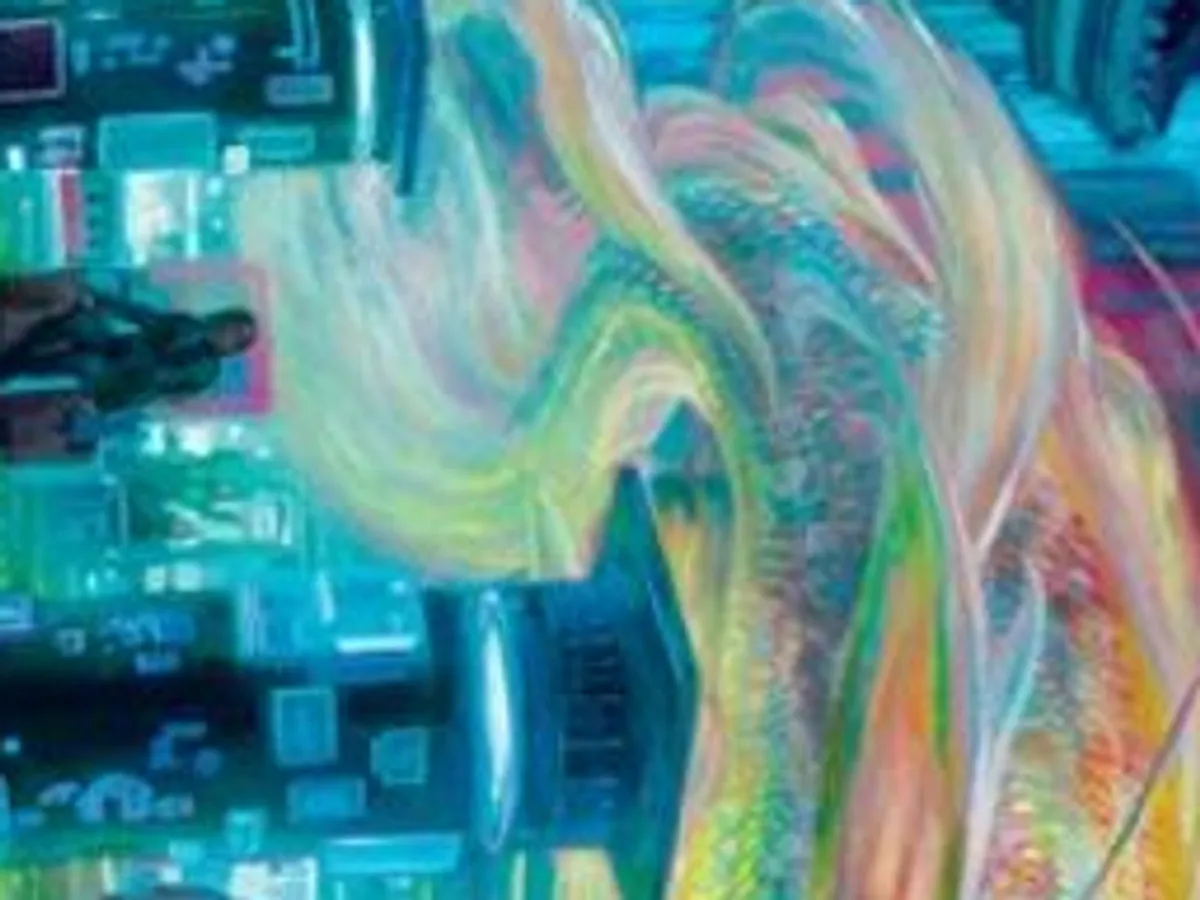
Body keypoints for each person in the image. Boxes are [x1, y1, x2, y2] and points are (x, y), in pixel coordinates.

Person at [0, 276, 258, 414]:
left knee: (81, 362)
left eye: (235, 337)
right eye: (231, 326)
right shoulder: (188, 325)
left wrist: (106, 404)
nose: (227, 333)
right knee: (79, 322)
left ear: (233, 348)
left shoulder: (205, 372)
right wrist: (99, 298)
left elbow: (155, 391)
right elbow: (143, 316)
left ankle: (12, 366)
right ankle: (16, 350)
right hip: (115, 347)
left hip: (120, 381)